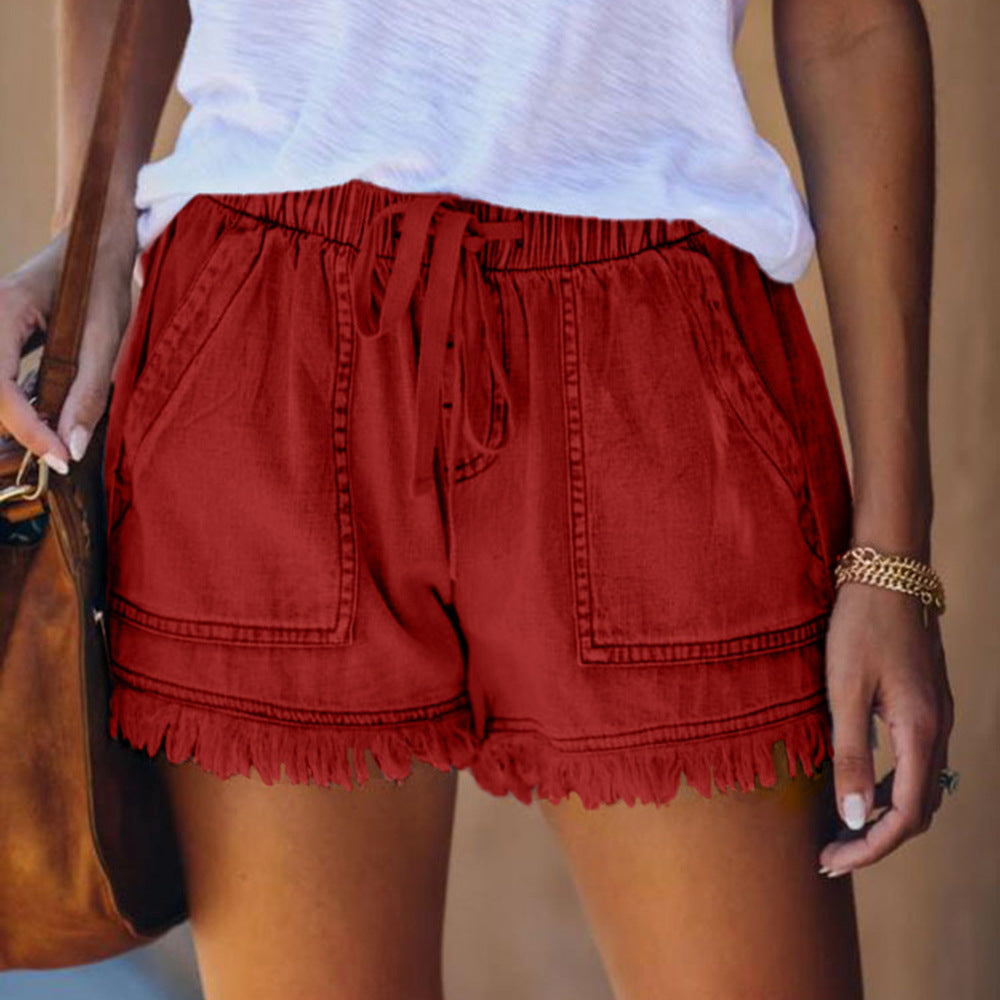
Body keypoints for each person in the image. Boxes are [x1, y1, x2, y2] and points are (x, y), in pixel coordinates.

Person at [0, 1, 955, 998]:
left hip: (655, 365)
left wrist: (894, 549)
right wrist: (85, 235)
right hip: (263, 348)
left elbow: (851, 26)